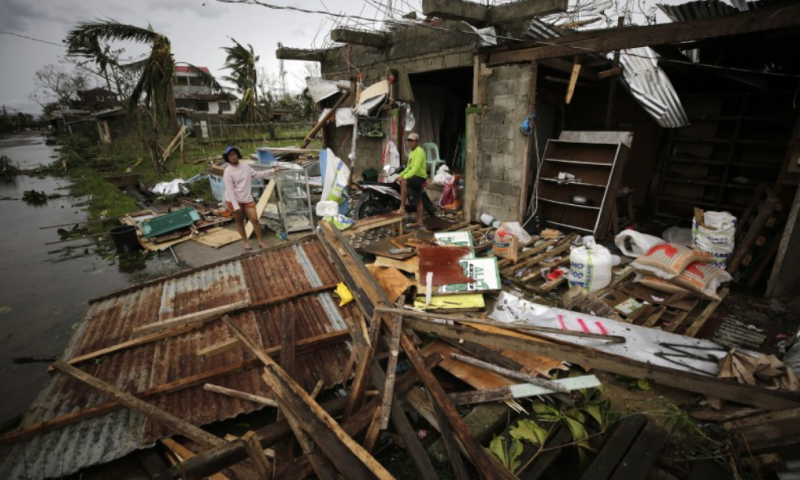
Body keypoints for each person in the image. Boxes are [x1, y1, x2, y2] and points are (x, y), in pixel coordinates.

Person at [222, 146, 275, 250]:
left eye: (234, 154)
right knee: (240, 221)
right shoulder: (227, 172)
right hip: (233, 200)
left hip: (246, 198)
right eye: (229, 155)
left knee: (255, 220)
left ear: (238, 154)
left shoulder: (245, 167)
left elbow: (257, 174)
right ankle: (245, 241)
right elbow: (230, 190)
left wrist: (273, 170)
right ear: (227, 158)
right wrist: (236, 206)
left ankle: (261, 241)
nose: (232, 157)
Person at [395, 132, 427, 227]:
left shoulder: (420, 152)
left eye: (412, 141)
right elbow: (408, 167)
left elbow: (415, 168)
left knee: (404, 182)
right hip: (414, 177)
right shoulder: (412, 153)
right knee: (418, 200)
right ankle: (420, 221)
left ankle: (402, 207)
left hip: (419, 177)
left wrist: (404, 177)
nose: (410, 143)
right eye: (409, 141)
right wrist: (400, 175)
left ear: (417, 142)